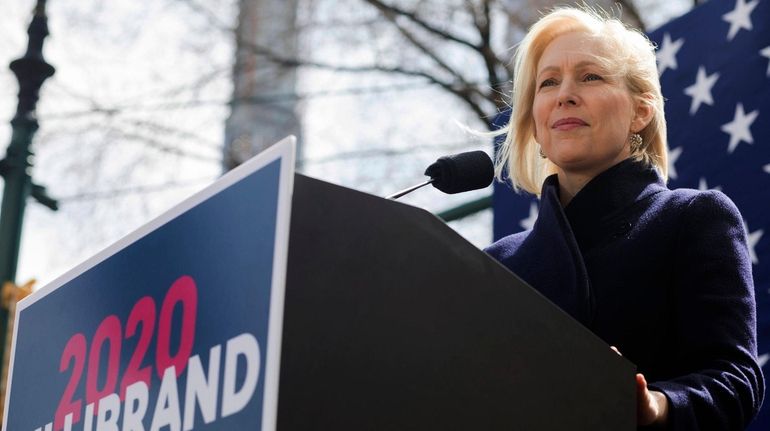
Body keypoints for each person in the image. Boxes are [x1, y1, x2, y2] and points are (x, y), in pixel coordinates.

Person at [484, 7, 765, 430]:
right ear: (537, 127)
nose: (565, 94)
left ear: (641, 111)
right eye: (548, 82)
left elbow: (734, 380)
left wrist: (654, 405)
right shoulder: (497, 264)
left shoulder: (693, 218)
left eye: (591, 76)